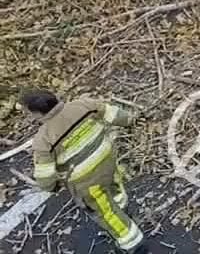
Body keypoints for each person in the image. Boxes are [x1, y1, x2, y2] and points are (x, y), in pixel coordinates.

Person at [24, 90, 149, 253]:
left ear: (36, 113)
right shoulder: (83, 105)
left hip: (86, 181)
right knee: (113, 187)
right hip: (107, 161)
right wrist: (131, 119)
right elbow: (116, 115)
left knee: (106, 212)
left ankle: (133, 243)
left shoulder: (43, 140)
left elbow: (45, 176)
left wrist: (51, 187)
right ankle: (124, 210)